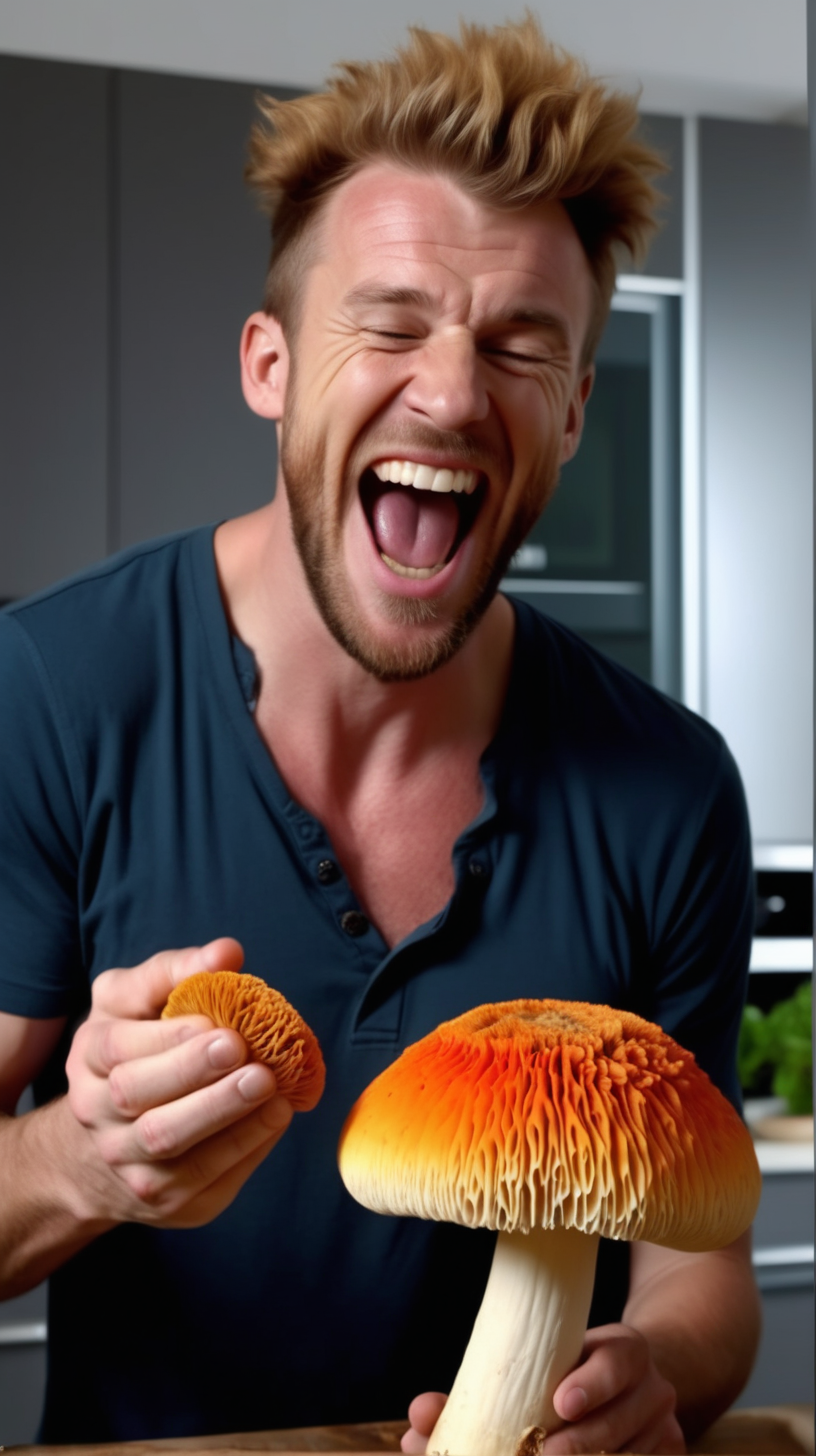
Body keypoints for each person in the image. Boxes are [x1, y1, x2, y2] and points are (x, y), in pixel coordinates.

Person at [0, 16, 760, 1452]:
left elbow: (698, 1262)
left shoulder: (669, 789)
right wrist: (74, 1157)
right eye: (393, 323)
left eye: (524, 347)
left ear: (579, 410)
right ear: (269, 365)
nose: (457, 393)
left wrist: (652, 1370)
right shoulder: (50, 692)